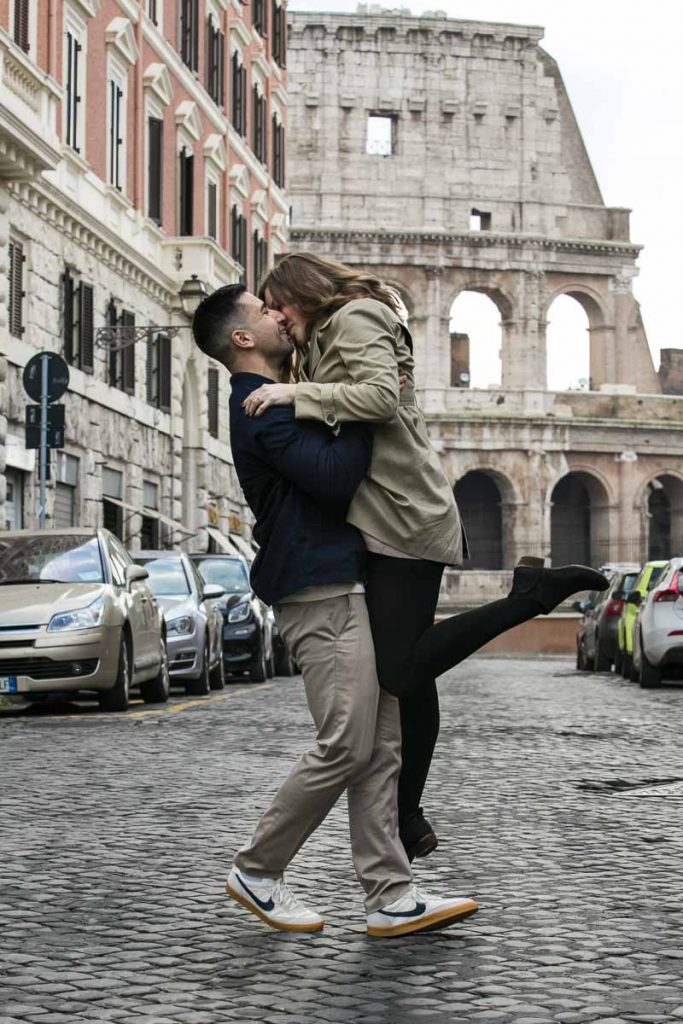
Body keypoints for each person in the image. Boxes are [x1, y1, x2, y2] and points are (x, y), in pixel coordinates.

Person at [243, 252, 608, 862]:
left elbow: (381, 397)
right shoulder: (328, 333)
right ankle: (408, 815)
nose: (277, 318)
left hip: (405, 514)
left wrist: (294, 396)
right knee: (407, 677)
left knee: (404, 672)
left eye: (277, 304)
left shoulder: (355, 315)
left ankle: (529, 598)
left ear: (300, 292)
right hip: (383, 515)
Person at [192, 282, 480, 938]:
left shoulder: (278, 398)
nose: (277, 315)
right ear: (242, 339)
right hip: (315, 589)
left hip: (338, 580)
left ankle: (390, 894)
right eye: (263, 312)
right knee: (347, 741)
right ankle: (258, 868)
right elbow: (332, 478)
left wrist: (333, 391)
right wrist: (361, 407)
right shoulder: (258, 406)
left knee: (380, 745)